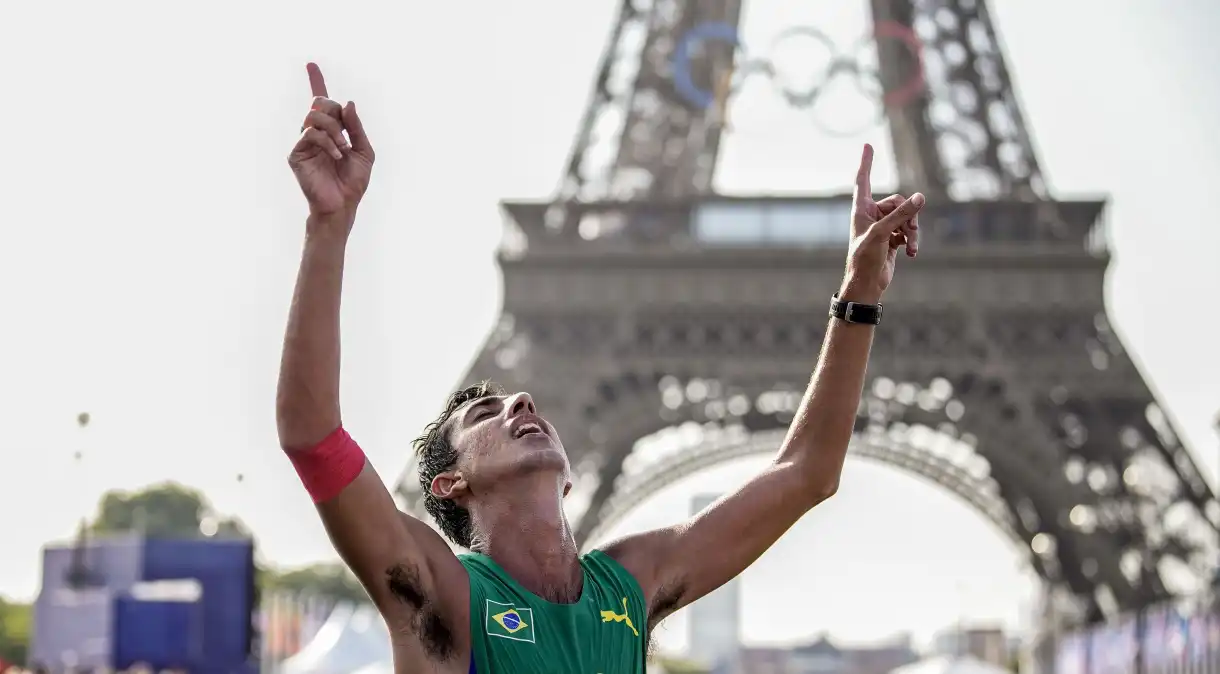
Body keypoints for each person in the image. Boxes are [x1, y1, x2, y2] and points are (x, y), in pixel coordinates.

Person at [276, 63, 924, 673]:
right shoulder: (443, 591)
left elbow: (807, 473)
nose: (521, 401)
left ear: (566, 482)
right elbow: (313, 437)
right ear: (450, 485)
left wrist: (859, 291)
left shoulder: (630, 583)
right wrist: (327, 228)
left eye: (518, 402)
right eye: (485, 415)